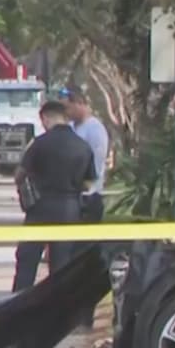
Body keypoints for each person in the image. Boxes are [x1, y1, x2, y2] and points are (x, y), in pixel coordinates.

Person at [12, 100, 96, 292]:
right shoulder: (82, 146)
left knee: (27, 261)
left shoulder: (39, 144)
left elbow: (19, 175)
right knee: (62, 267)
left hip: (40, 208)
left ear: (46, 118)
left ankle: (16, 303)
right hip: (69, 210)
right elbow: (89, 183)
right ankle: (59, 311)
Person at [62, 86, 111, 330]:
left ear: (79, 103)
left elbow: (95, 168)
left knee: (84, 260)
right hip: (72, 201)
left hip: (88, 200)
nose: (66, 111)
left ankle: (85, 315)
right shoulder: (72, 129)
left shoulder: (95, 130)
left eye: (68, 106)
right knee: (69, 259)